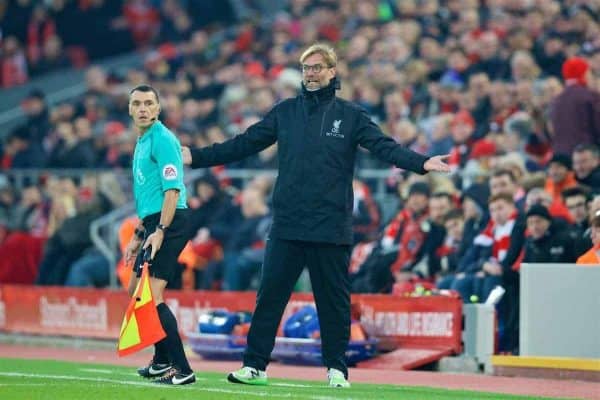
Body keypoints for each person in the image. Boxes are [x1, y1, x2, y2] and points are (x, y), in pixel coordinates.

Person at [182, 43, 450, 388]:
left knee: (333, 302)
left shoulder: (351, 115)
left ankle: (337, 369)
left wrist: (421, 164)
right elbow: (242, 144)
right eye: (306, 68)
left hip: (331, 225)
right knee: (270, 296)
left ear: (332, 71)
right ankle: (255, 366)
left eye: (317, 67)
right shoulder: (285, 112)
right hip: (288, 223)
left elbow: (384, 146)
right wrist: (196, 156)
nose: (310, 73)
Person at [123, 84, 195, 385]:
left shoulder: (164, 140)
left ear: (157, 108)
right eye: (137, 103)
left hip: (172, 220)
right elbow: (149, 195)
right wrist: (140, 233)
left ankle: (183, 369)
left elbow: (171, 191)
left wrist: (160, 231)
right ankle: (161, 360)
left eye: (148, 103)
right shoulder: (143, 141)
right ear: (130, 109)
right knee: (136, 292)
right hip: (155, 221)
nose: (142, 108)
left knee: (152, 296)